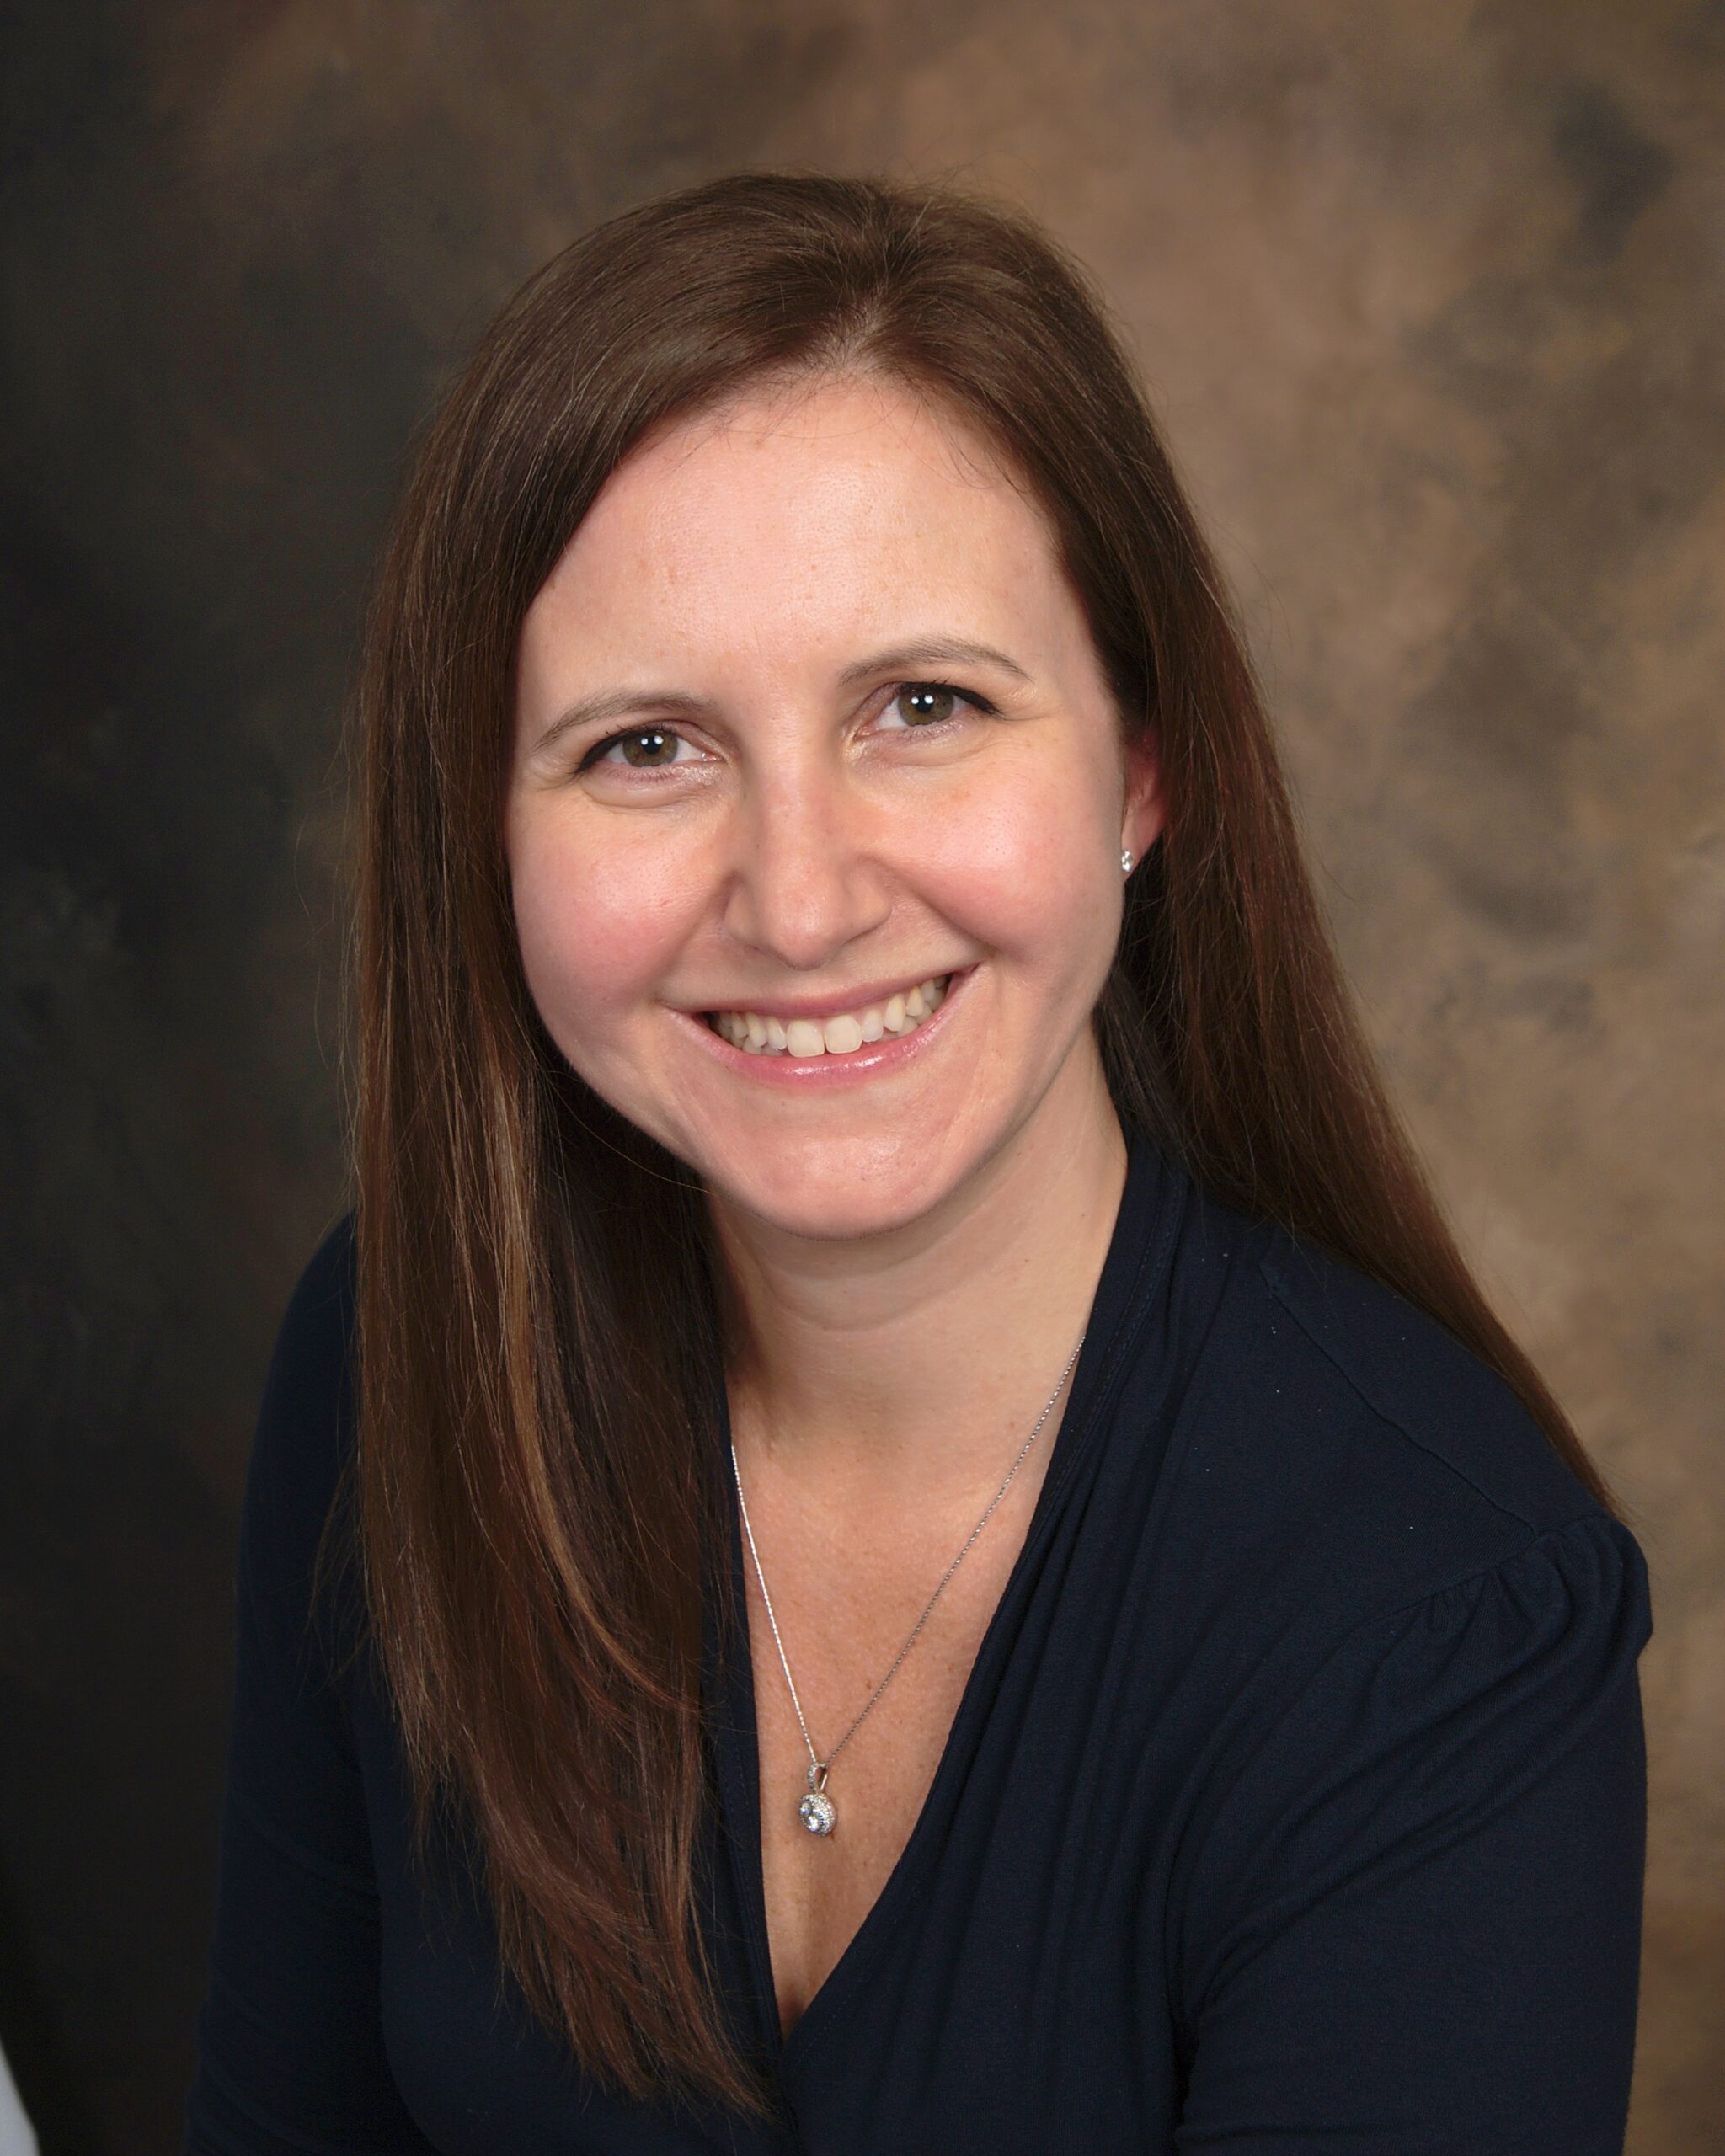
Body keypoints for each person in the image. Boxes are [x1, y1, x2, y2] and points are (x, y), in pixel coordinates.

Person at [183, 171, 1652, 2154]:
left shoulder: (1440, 1625)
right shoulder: (397, 1357)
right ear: (488, 834)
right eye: (646, 746)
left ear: (1143, 766)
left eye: (925, 706)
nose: (797, 902)